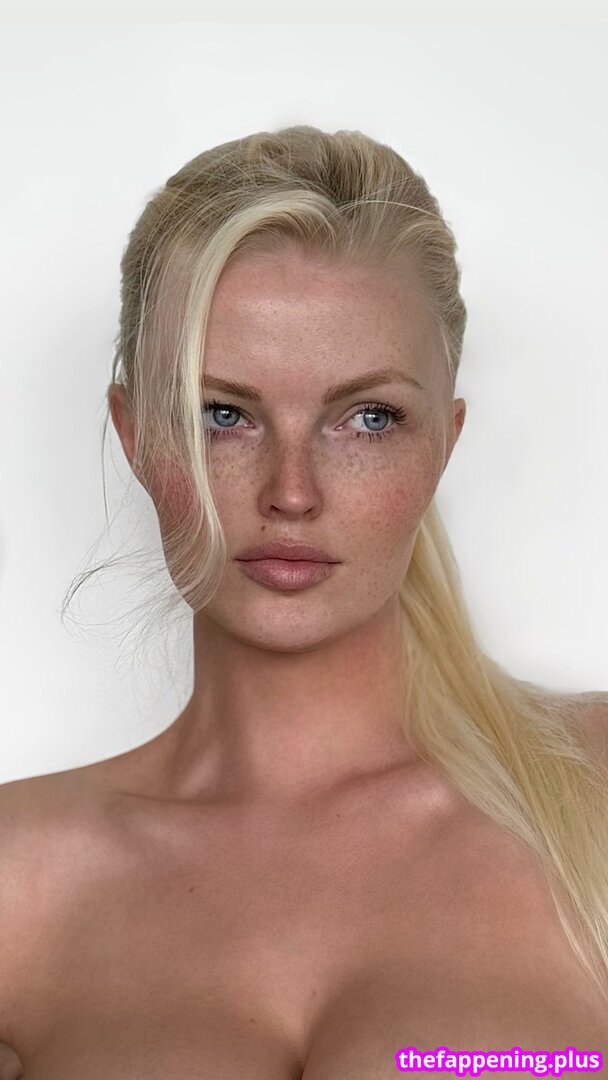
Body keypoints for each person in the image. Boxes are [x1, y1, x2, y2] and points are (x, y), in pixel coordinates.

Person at [1, 125, 607, 1080]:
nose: (292, 493)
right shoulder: (19, 882)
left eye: (368, 419)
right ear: (134, 435)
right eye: (222, 415)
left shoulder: (592, 791)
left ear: (444, 442)